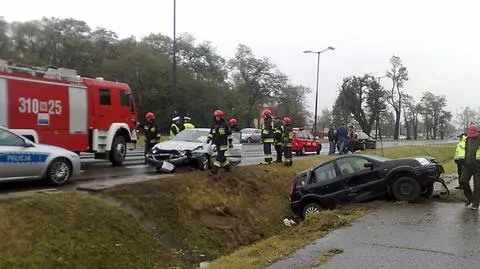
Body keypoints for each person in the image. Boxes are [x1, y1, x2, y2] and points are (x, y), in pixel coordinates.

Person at [460, 124, 480, 210]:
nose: (472, 136)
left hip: (478, 166)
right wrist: (459, 159)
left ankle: (475, 203)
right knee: (463, 181)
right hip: (466, 165)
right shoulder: (465, 139)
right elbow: (460, 150)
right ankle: (469, 198)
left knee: (477, 186)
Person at [207, 109, 232, 174]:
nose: (217, 118)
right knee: (222, 158)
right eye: (216, 117)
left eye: (218, 117)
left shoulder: (224, 125)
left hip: (223, 143)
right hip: (217, 143)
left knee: (219, 156)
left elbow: (229, 134)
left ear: (221, 117)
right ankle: (228, 167)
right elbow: (211, 133)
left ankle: (215, 169)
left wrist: (230, 142)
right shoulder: (214, 125)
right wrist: (209, 138)